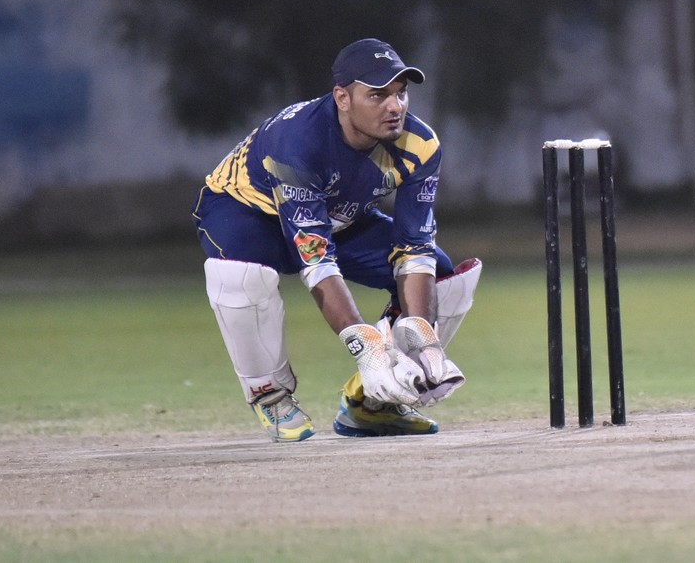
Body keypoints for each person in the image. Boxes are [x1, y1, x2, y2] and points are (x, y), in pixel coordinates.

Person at [193, 38, 481, 442]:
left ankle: (374, 404)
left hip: (338, 217)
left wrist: (423, 337)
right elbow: (317, 260)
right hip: (248, 212)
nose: (395, 106)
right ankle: (269, 394)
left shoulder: (419, 144)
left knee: (444, 280)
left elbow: (415, 249)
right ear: (342, 98)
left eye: (400, 93)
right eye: (377, 95)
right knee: (240, 278)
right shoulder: (297, 142)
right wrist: (367, 347)